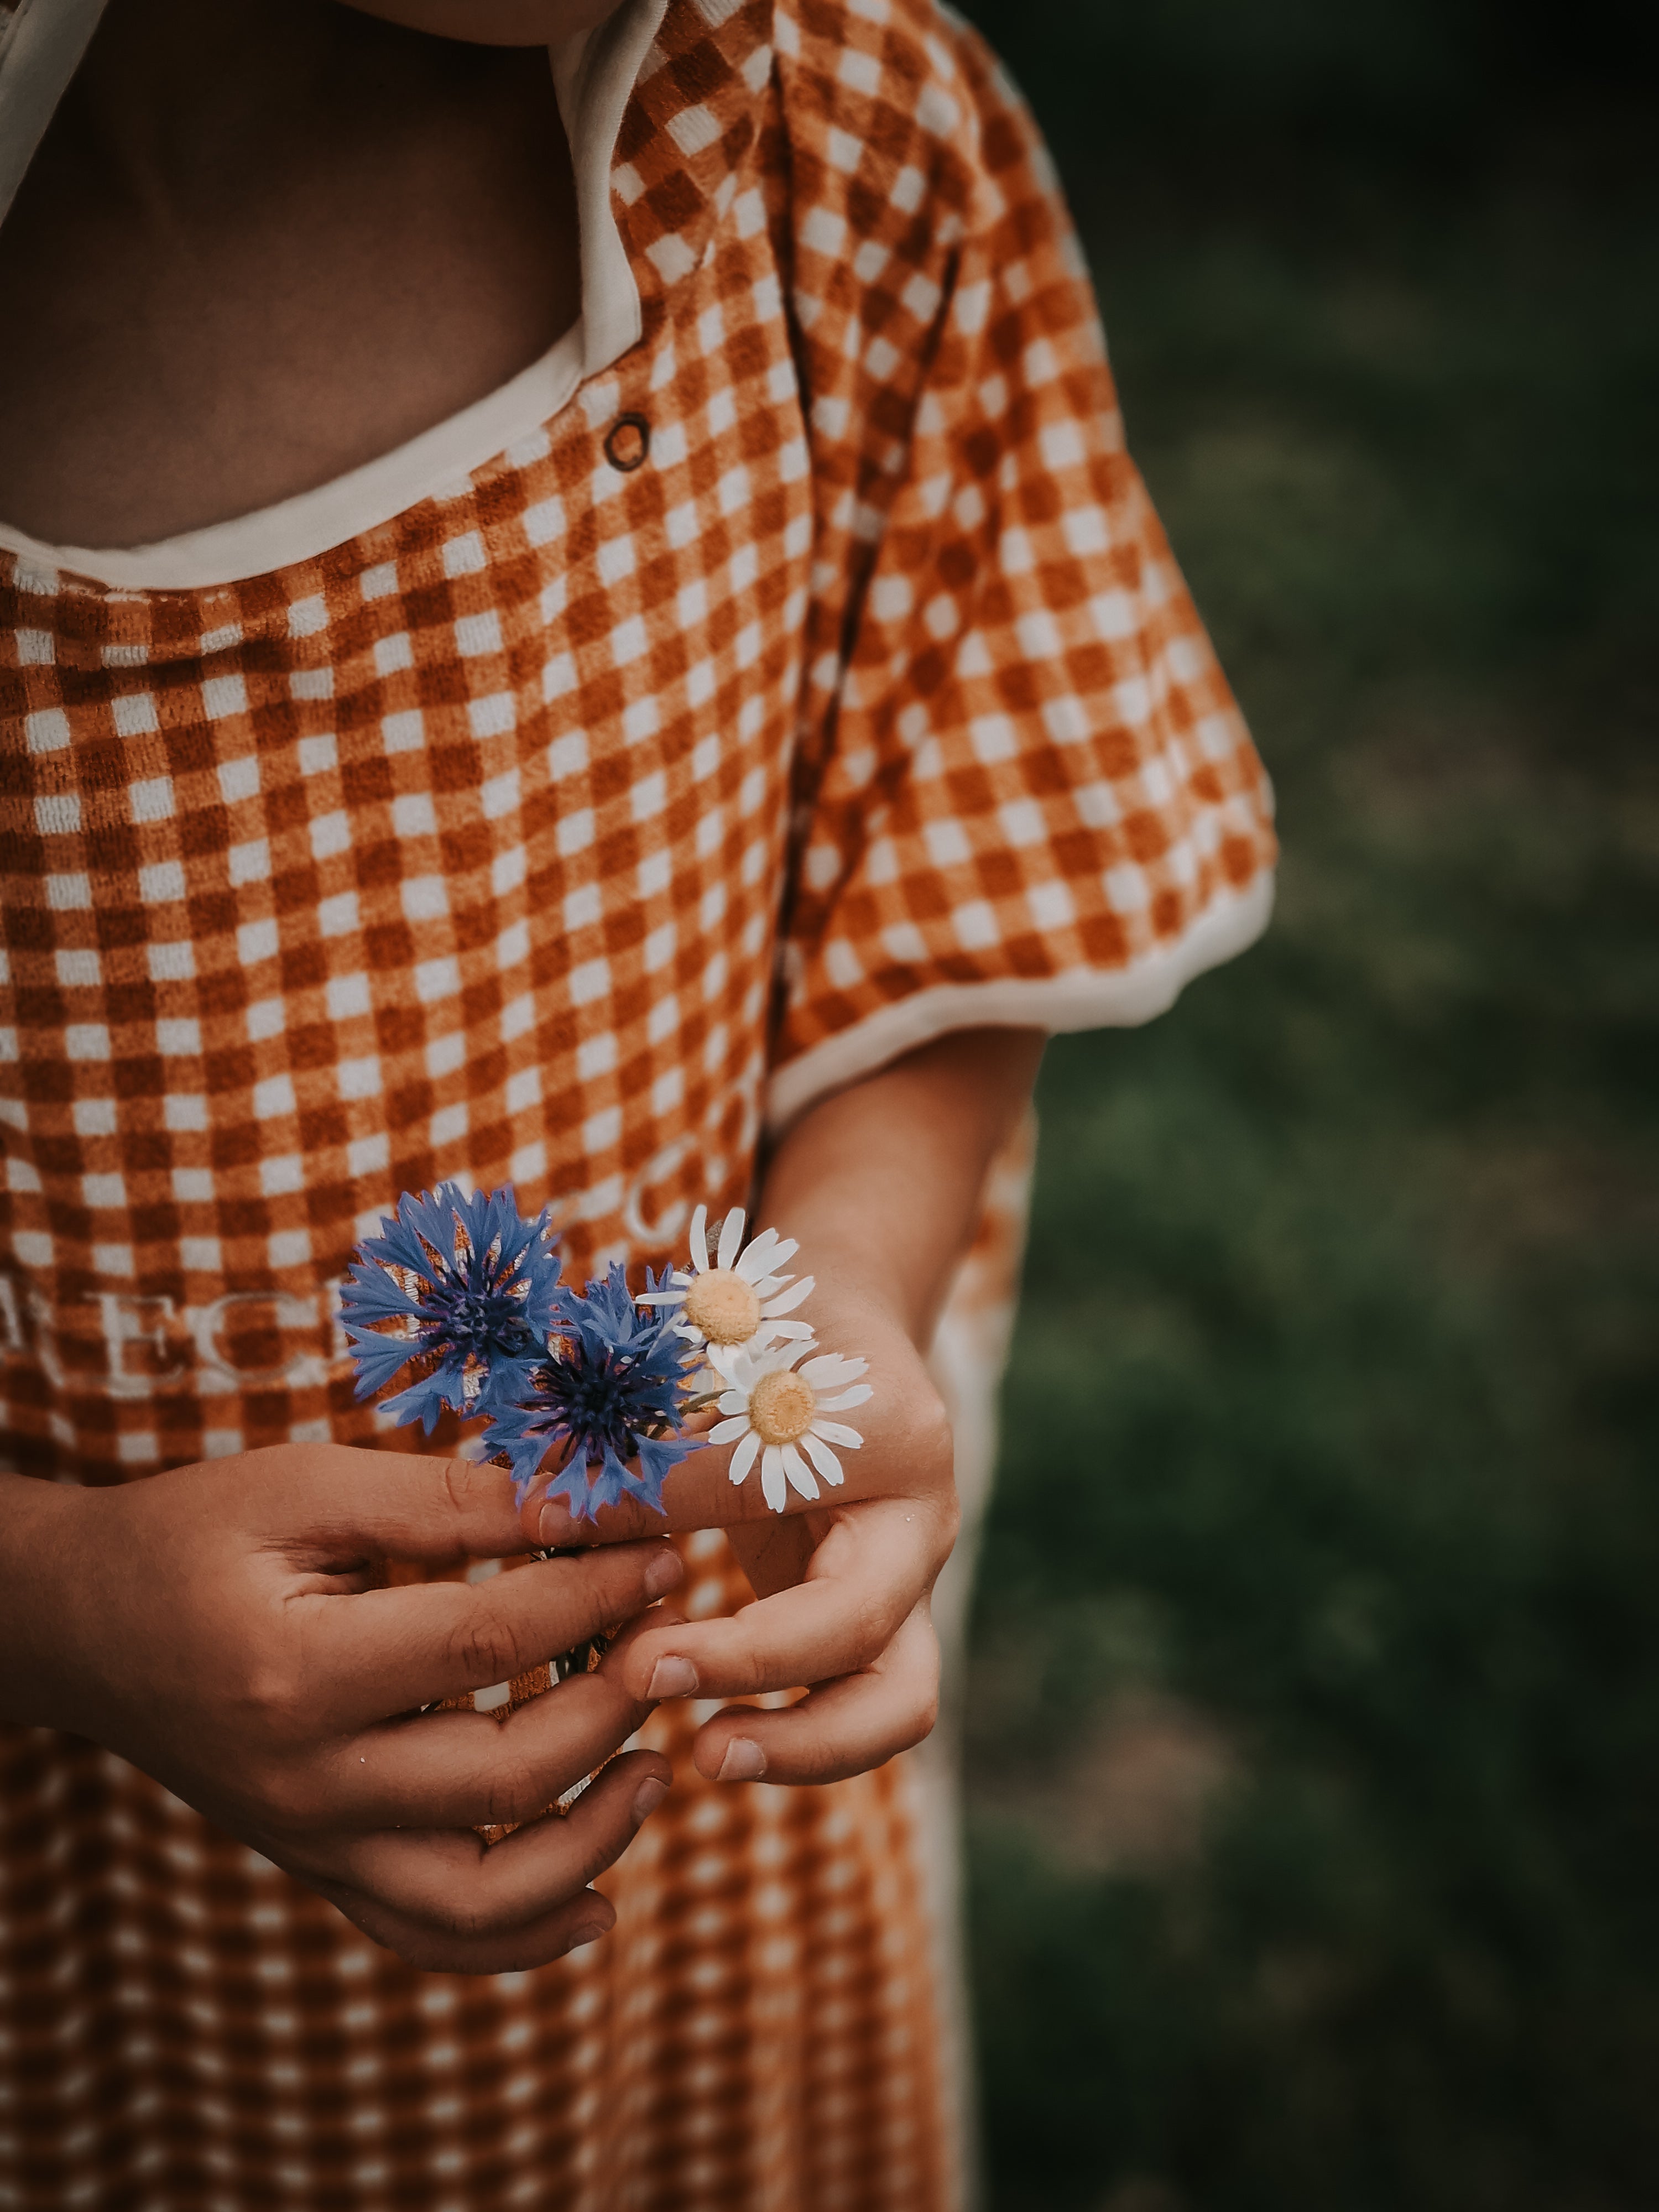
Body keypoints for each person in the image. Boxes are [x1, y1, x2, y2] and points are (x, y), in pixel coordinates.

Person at [0, 0, 1276, 2203]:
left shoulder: (840, 142)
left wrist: (839, 1289)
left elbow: (955, 836)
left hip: (690, 1860)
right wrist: (50, 1604)